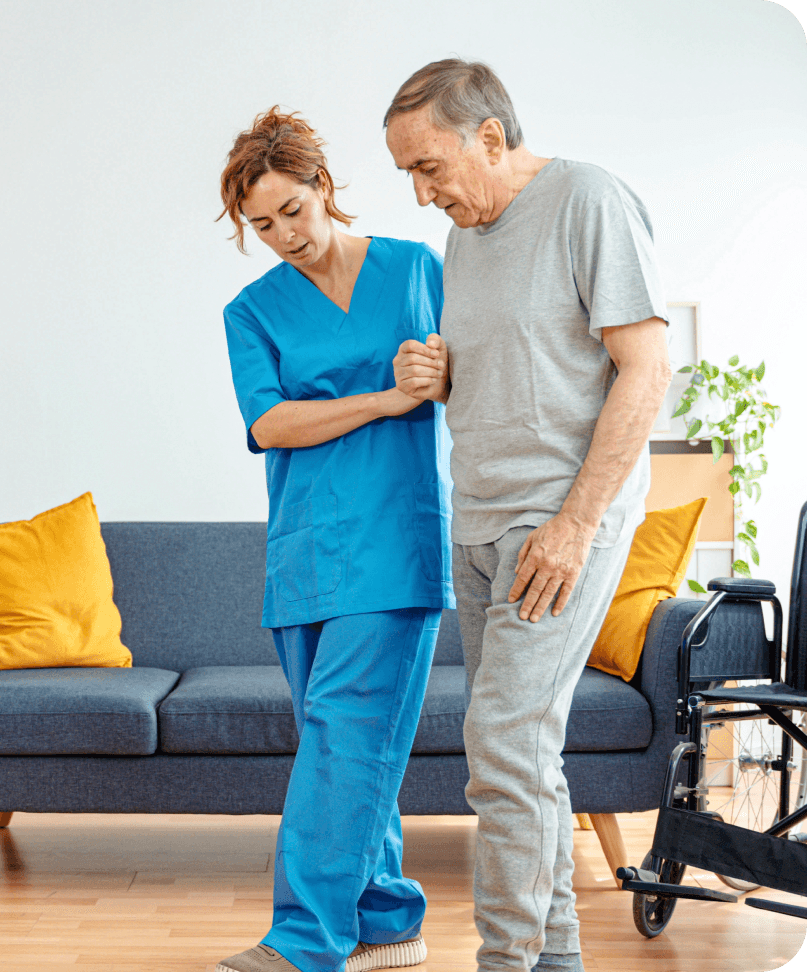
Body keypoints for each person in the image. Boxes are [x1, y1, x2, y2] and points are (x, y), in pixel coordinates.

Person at [384, 60, 673, 972]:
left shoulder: (588, 201)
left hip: (554, 525)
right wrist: (441, 376)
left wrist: (575, 525)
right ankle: (555, 961)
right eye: (408, 175)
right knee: (524, 757)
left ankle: (504, 963)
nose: (422, 193)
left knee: (503, 748)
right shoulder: (465, 237)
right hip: (477, 522)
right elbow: (522, 368)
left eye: (429, 167)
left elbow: (646, 370)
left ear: (490, 137)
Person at [214, 107, 454, 972]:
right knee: (345, 743)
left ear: (323, 187)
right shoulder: (251, 311)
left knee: (347, 735)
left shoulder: (415, 268)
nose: (283, 235)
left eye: (292, 210)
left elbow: (471, 372)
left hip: (397, 540)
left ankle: (305, 940)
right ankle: (386, 923)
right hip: (305, 551)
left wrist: (440, 376)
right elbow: (270, 423)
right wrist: (388, 398)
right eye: (262, 225)